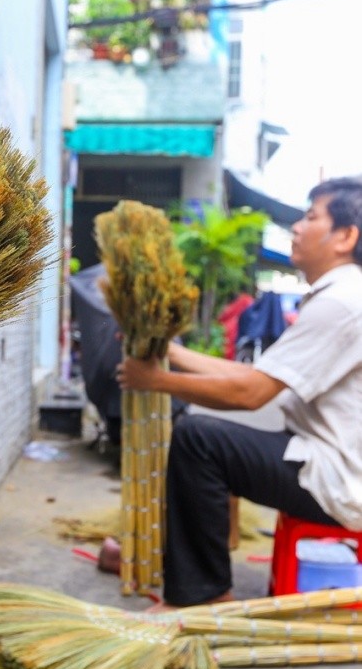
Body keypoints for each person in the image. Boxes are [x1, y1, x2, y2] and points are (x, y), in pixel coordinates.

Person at [112, 176, 362, 608]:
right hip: (322, 457)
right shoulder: (340, 295)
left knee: (199, 439)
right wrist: (170, 352)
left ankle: (206, 595)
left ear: (346, 236)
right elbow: (258, 374)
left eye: (310, 217)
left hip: (338, 479)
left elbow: (251, 394)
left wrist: (156, 380)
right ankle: (199, 575)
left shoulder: (342, 301)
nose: (297, 228)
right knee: (207, 434)